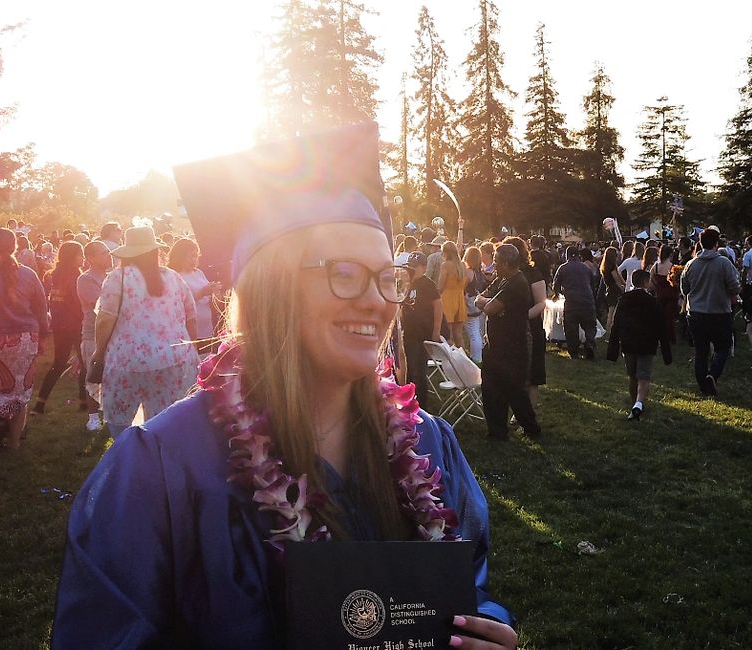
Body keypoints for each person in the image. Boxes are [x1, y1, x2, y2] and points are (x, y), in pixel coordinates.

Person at [53, 126, 517, 649]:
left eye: (389, 277)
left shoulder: (431, 446)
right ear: (271, 286)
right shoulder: (163, 468)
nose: (377, 301)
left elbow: (466, 589)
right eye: (345, 272)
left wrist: (484, 631)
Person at [90, 226, 199, 436]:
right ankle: (158, 461)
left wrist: (99, 351)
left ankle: (129, 460)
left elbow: (105, 319)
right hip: (172, 359)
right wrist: (189, 348)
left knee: (120, 423)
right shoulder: (172, 277)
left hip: (127, 360)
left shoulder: (118, 278)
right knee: (163, 424)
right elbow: (191, 316)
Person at [0, 229, 48, 450]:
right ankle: (13, 442)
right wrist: (43, 338)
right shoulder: (28, 274)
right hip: (24, 340)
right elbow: (41, 309)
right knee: (19, 393)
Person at [476, 244, 540, 439]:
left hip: (512, 346)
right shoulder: (502, 279)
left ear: (505, 263)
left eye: (496, 262)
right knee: (492, 390)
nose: (493, 265)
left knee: (515, 391)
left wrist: (488, 304)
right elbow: (481, 298)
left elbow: (488, 308)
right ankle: (497, 431)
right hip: (495, 345)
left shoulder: (517, 283)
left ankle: (531, 428)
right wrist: (487, 302)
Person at [680, 228, 741, 396]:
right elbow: (735, 286)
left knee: (701, 350)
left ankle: (703, 383)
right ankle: (712, 375)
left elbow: (684, 289)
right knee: (723, 347)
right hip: (719, 312)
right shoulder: (724, 263)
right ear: (716, 244)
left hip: (696, 313)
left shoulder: (691, 264)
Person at [607, 270, 672, 419]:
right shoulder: (652, 301)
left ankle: (633, 402)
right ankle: (639, 403)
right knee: (644, 376)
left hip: (628, 342)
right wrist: (666, 351)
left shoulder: (624, 299)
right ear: (645, 282)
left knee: (632, 375)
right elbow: (661, 326)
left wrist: (613, 348)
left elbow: (617, 323)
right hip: (647, 343)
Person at [32, 241, 86, 415]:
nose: (82, 257)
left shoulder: (54, 274)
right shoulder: (76, 277)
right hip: (76, 324)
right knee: (84, 363)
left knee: (58, 363)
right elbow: (77, 303)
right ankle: (84, 402)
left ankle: (40, 403)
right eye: (80, 254)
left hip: (60, 325)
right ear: (72, 256)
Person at [504, 236, 547, 403]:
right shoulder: (504, 276)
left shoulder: (532, 274)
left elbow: (541, 302)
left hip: (530, 328)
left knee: (532, 375)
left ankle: (528, 416)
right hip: (508, 330)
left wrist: (522, 317)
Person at [77, 241, 112, 431]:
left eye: (108, 252)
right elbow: (101, 304)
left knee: (111, 375)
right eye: (103, 253)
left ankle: (109, 412)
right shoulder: (85, 279)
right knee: (94, 375)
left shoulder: (112, 277)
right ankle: (92, 417)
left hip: (113, 333)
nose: (108, 255)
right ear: (90, 258)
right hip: (93, 334)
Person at [401, 251, 443, 411]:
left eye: (414, 267)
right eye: (409, 266)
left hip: (422, 333)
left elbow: (438, 306)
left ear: (424, 268)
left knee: (419, 370)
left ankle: (421, 405)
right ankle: (409, 399)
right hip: (409, 332)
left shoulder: (428, 284)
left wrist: (436, 330)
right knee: (410, 369)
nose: (411, 269)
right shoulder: (407, 282)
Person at [167, 237, 221, 345]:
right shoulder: (174, 276)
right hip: (190, 331)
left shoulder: (199, 273)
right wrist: (202, 293)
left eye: (196, 255)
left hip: (208, 328)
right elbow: (177, 303)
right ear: (180, 256)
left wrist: (215, 292)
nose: (194, 259)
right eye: (191, 256)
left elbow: (208, 297)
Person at [553, 247, 597, 359]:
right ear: (579, 256)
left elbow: (555, 284)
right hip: (587, 301)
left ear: (567, 256)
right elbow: (592, 285)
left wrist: (557, 294)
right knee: (590, 326)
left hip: (572, 302)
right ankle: (589, 343)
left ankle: (574, 351)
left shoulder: (562, 268)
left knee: (571, 327)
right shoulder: (586, 268)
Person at [438, 240, 468, 349]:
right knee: (458, 335)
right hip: (459, 299)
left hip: (447, 300)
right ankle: (463, 360)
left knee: (448, 335)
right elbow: (466, 282)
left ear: (445, 252)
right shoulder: (462, 265)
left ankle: (450, 361)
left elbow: (440, 286)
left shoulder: (445, 265)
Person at [650, 244, 679, 343]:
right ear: (670, 254)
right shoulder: (673, 267)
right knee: (670, 319)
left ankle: (660, 337)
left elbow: (651, 279)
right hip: (671, 296)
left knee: (660, 317)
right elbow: (676, 283)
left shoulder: (656, 266)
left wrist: (657, 286)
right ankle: (670, 338)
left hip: (660, 295)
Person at [462, 245, 486, 363]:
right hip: (478, 304)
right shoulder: (480, 272)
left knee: (473, 332)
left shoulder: (468, 272)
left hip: (469, 305)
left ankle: (476, 357)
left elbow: (462, 287)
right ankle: (478, 354)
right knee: (477, 331)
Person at [598, 246, 624, 340]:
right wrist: (622, 289)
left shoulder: (605, 266)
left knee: (610, 313)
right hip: (615, 291)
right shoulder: (612, 266)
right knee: (613, 314)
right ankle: (610, 334)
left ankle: (608, 334)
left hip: (609, 290)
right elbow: (617, 279)